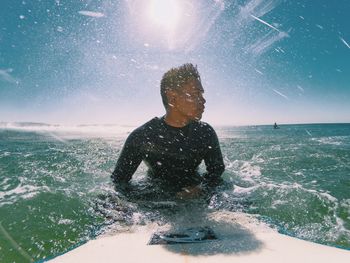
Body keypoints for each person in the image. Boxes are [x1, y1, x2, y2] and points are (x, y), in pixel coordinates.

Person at [111, 63, 225, 199]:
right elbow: (118, 182)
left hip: (195, 190)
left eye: (202, 94)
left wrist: (202, 188)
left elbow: (216, 172)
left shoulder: (205, 132)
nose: (203, 100)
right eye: (196, 94)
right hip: (155, 194)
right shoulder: (143, 136)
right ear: (172, 97)